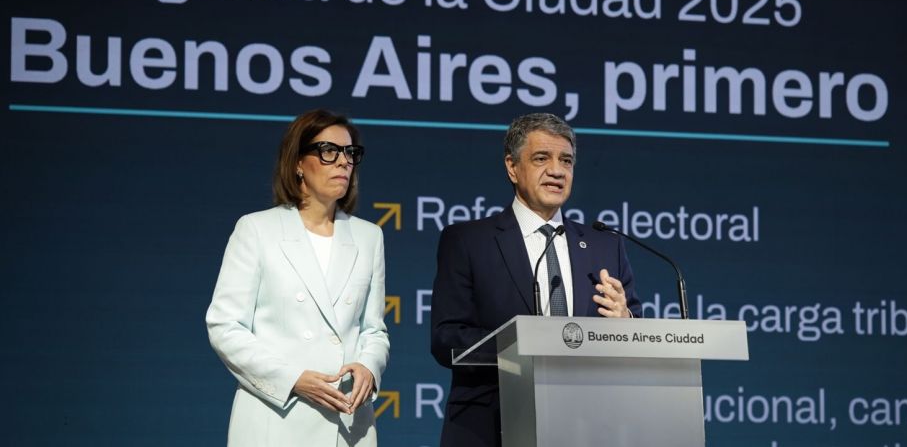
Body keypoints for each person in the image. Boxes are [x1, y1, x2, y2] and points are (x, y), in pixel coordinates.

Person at [430, 112, 642, 447]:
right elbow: (446, 339)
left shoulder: (605, 246)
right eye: (542, 158)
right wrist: (526, 347)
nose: (557, 170)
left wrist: (626, 323)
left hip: (587, 426)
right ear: (512, 168)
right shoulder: (468, 241)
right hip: (493, 424)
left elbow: (637, 334)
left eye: (566, 160)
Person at [206, 109, 389, 446]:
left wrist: (368, 367)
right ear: (298, 163)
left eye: (350, 153)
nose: (343, 161)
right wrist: (292, 379)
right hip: (275, 418)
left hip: (347, 422)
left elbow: (373, 329)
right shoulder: (257, 229)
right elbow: (225, 326)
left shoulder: (369, 237)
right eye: (329, 151)